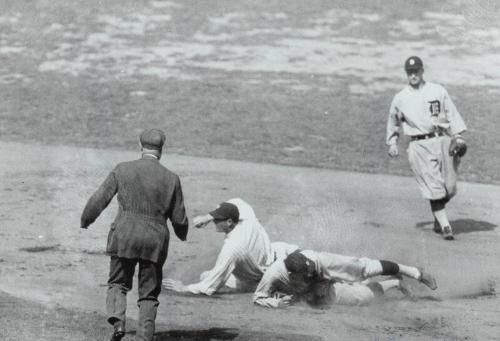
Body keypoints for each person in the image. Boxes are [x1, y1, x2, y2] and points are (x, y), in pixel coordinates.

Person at [80, 129, 188, 341]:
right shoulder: (172, 178)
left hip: (125, 236)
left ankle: (118, 322)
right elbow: (179, 219)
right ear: (161, 149)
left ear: (140, 145)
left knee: (118, 283)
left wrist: (86, 220)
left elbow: (100, 198)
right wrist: (183, 233)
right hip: (155, 241)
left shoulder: (123, 169)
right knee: (149, 293)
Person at [386, 56, 467, 240]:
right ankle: (446, 226)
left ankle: (439, 215)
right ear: (406, 74)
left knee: (450, 188)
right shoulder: (400, 98)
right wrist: (392, 142)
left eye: (416, 71)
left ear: (422, 71)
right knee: (433, 187)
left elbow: (451, 114)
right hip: (419, 145)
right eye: (409, 72)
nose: (413, 75)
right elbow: (393, 121)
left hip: (442, 140)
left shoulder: (437, 90)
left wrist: (458, 137)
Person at [163, 198, 297, 295]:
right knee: (208, 275)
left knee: (207, 278)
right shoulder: (247, 217)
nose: (214, 221)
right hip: (282, 250)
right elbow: (238, 202)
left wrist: (183, 288)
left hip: (274, 273)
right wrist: (208, 217)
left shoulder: (233, 247)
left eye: (217, 219)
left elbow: (210, 285)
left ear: (229, 222)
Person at [253, 249, 437, 308]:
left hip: (325, 265)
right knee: (361, 297)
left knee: (365, 268)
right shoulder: (274, 274)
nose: (308, 272)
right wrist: (276, 304)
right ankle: (395, 283)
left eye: (308, 268)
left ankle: (415, 273)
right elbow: (258, 298)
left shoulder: (313, 260)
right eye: (304, 272)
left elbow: (313, 273)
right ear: (292, 274)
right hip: (315, 292)